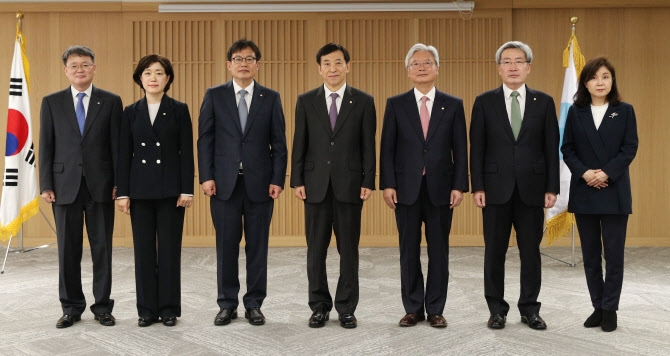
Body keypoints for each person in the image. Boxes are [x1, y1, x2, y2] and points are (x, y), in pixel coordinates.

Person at [469, 41, 559, 330]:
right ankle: (497, 310)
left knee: (530, 253)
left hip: (533, 190)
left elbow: (550, 147)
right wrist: (478, 186)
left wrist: (552, 188)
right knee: (494, 252)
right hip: (494, 190)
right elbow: (477, 148)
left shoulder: (543, 102)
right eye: (506, 61)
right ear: (498, 68)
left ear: (528, 67)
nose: (513, 66)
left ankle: (530, 309)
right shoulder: (484, 102)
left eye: (518, 61)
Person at [198, 39, 287, 326]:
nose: (243, 63)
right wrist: (207, 176)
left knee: (257, 246)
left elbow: (279, 143)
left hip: (261, 184)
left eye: (249, 59)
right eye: (238, 59)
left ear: (257, 65)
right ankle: (227, 303)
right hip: (223, 184)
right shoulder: (214, 95)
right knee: (226, 246)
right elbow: (205, 139)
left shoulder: (270, 98)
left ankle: (254, 304)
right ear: (229, 65)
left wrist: (277, 179)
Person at [379, 43, 468, 328]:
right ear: (408, 71)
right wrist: (388, 184)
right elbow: (387, 148)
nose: (421, 67)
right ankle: (413, 308)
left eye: (427, 62)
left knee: (439, 250)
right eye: (415, 63)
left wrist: (460, 185)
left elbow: (460, 149)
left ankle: (436, 309)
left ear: (437, 68)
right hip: (405, 188)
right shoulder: (395, 104)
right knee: (408, 249)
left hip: (442, 188)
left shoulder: (453, 104)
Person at [290, 43, 376, 329]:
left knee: (348, 249)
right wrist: (297, 179)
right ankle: (319, 306)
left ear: (348, 66)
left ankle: (347, 307)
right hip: (314, 185)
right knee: (315, 250)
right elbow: (299, 143)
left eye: (338, 63)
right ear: (319, 68)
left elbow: (368, 146)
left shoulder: (363, 101)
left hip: (350, 185)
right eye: (327, 63)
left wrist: (368, 180)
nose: (333, 68)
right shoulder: (306, 101)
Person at [39, 45, 122, 328]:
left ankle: (102, 307)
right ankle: (71, 307)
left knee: (102, 249)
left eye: (85, 64)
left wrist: (119, 184)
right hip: (64, 187)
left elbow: (117, 148)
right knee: (68, 250)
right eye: (74, 65)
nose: (79, 70)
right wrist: (46, 184)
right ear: (66, 71)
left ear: (94, 67)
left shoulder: (111, 102)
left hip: (101, 186)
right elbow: (46, 146)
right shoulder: (51, 102)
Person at [116, 54, 194, 327]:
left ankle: (169, 308)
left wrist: (187, 189)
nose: (153, 78)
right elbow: (124, 154)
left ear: (168, 78)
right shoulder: (130, 112)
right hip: (139, 191)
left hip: (171, 192)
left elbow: (186, 153)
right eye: (148, 72)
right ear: (140, 78)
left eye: (159, 73)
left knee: (170, 251)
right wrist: (123, 192)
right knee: (144, 252)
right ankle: (147, 309)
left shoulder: (179, 109)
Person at [561, 57, 638, 332]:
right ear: (585, 83)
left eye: (605, 76)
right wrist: (586, 174)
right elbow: (567, 148)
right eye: (594, 77)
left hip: (615, 190)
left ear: (612, 80)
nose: (600, 82)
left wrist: (605, 173)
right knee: (591, 256)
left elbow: (630, 148)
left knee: (614, 255)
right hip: (585, 191)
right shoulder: (575, 112)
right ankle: (597, 305)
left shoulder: (625, 110)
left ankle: (610, 309)